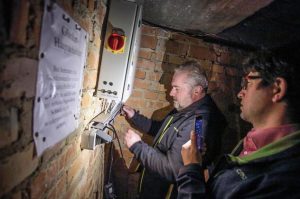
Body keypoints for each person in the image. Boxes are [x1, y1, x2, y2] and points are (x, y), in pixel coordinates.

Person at [177, 50, 300, 198]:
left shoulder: (283, 180)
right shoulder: (250, 143)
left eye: (247, 84)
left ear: (277, 88)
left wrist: (191, 169)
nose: (239, 94)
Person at [122, 61, 227, 199]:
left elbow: (172, 169)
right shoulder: (186, 107)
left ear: (197, 91)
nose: (171, 93)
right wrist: (135, 116)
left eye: (177, 88)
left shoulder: (198, 123)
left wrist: (137, 146)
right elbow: (162, 130)